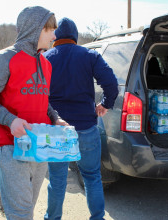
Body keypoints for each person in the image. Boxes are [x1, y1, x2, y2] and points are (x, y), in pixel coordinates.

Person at [0, 6, 67, 220]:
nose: (54, 35)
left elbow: (42, 101)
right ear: (35, 29)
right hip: (12, 145)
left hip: (40, 146)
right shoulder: (5, 58)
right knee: (20, 214)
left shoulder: (46, 63)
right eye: (50, 29)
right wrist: (10, 120)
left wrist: (55, 118)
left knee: (28, 209)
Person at [43, 17, 119, 220]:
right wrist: (105, 104)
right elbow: (111, 83)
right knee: (92, 176)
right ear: (75, 36)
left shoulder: (46, 58)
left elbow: (38, 95)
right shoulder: (89, 55)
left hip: (57, 128)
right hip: (86, 127)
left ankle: (52, 218)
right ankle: (97, 217)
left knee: (57, 179)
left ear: (55, 36)